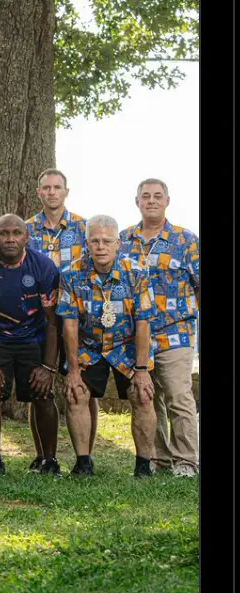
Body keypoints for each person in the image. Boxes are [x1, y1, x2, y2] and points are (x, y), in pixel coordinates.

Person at [58, 216, 158, 477]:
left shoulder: (136, 273)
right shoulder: (71, 274)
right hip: (88, 346)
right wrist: (74, 371)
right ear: (87, 243)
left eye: (106, 241)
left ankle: (144, 465)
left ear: (118, 243)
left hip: (125, 345)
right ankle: (83, 463)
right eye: (94, 241)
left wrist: (141, 368)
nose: (100, 246)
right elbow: (69, 325)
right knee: (76, 393)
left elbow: (144, 322)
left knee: (142, 395)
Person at [120, 178, 200, 477]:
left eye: (157, 196)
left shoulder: (185, 240)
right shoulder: (124, 240)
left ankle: (186, 461)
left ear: (167, 201)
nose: (151, 201)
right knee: (146, 397)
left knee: (179, 397)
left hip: (175, 333)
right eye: (145, 196)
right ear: (137, 201)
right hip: (136, 336)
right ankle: (158, 457)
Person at [0, 215, 61, 474]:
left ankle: (49, 460)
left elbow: (54, 322)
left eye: (16, 233)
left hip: (34, 337)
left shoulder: (43, 266)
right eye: (4, 233)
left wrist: (49, 367)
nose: (10, 239)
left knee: (43, 393)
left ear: (26, 237)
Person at [25, 168, 92, 469]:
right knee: (40, 386)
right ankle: (43, 455)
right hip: (40, 319)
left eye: (57, 187)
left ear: (66, 191)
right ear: (39, 192)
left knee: (84, 386)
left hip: (79, 320)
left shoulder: (83, 227)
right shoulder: (26, 230)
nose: (52, 192)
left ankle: (85, 455)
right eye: (46, 188)